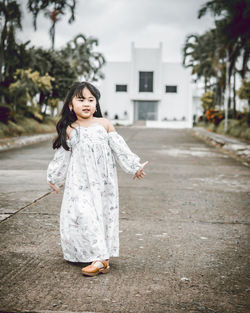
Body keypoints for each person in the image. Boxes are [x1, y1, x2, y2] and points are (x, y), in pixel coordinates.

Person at [47, 81, 149, 277]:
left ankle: (102, 259)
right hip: (79, 182)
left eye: (91, 100)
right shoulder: (70, 128)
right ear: (71, 105)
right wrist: (54, 178)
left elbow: (120, 148)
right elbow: (63, 156)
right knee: (83, 215)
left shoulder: (104, 124)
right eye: (81, 99)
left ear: (96, 104)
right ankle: (95, 256)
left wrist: (134, 166)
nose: (86, 104)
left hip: (104, 183)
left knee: (102, 217)